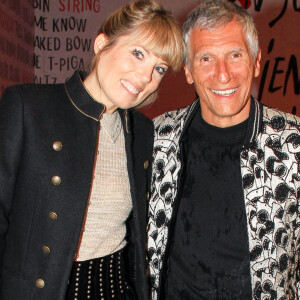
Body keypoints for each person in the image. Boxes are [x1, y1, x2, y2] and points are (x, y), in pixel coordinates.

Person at [0, 1, 184, 299]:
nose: (145, 77)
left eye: (158, 68)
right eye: (138, 53)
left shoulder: (141, 131)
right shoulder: (28, 108)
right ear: (102, 44)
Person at [147, 0, 300, 299]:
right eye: (205, 59)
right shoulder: (156, 139)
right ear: (189, 70)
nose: (223, 74)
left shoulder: (293, 144)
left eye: (234, 55)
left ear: (256, 62)